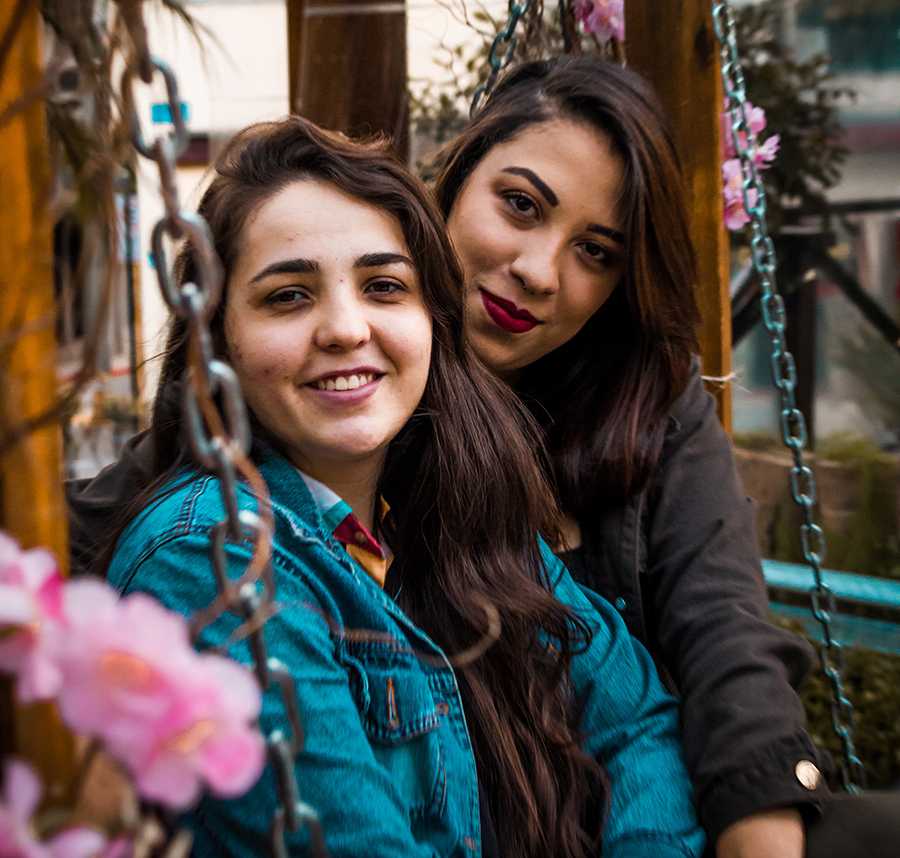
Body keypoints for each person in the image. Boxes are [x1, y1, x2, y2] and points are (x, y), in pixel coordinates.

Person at [100, 116, 705, 857]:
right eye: (288, 296)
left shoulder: (449, 515)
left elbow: (636, 717)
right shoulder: (213, 558)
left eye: (385, 287)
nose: (347, 328)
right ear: (218, 343)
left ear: (433, 322)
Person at [433, 55, 900, 858]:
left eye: (597, 253)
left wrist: (761, 832)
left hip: (646, 819)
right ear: (452, 181)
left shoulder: (649, 405)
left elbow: (724, 632)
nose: (539, 272)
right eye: (519, 206)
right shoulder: (351, 392)